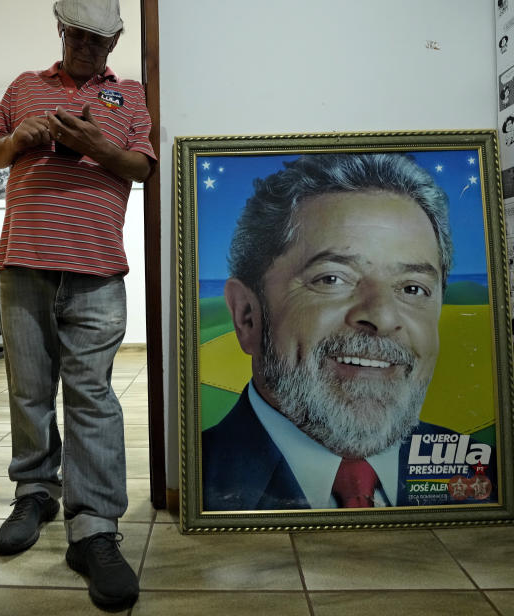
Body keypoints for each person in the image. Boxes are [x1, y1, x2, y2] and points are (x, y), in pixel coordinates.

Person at [0, 0, 155, 610]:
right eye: (76, 35)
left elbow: (142, 166)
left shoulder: (129, 95)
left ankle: (95, 530)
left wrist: (93, 145)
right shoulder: (24, 86)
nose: (85, 48)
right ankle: (35, 497)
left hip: (98, 270)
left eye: (97, 39)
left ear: (114, 40)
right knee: (28, 390)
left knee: (92, 398)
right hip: (22, 266)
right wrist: (23, 139)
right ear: (61, 30)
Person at [203, 153, 494, 511]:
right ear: (247, 316)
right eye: (331, 279)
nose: (383, 317)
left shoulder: (481, 477)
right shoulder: (202, 484)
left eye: (413, 288)